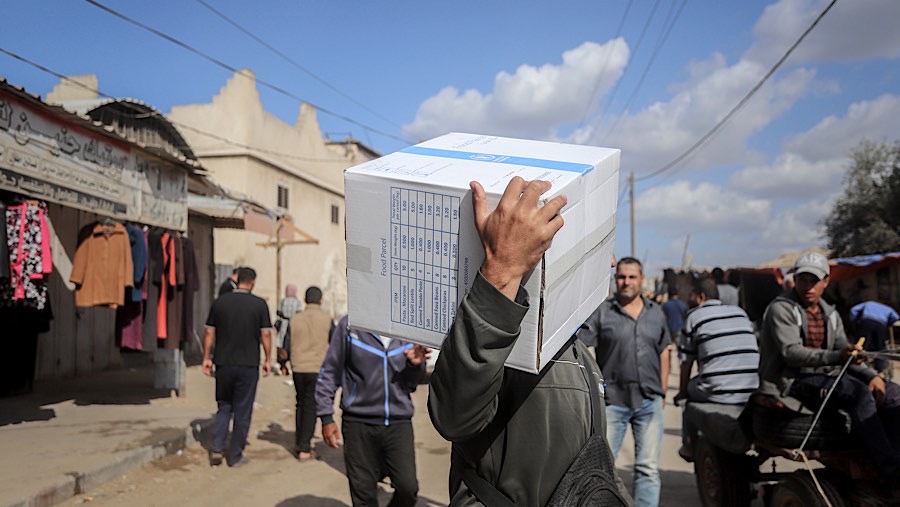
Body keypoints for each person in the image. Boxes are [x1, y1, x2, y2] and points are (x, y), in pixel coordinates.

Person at [428, 177, 631, 506]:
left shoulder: (578, 350)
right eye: (600, 249)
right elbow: (454, 416)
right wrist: (502, 269)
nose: (611, 263)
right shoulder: (508, 338)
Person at [758, 251, 900, 479]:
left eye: (814, 281)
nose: (808, 286)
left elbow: (846, 352)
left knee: (892, 393)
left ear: (826, 281)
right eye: (802, 279)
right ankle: (889, 469)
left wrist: (871, 375)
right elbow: (791, 353)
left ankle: (893, 455)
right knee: (859, 393)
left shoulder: (831, 314)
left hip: (828, 375)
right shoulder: (781, 308)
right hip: (792, 379)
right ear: (795, 279)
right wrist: (838, 357)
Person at [577, 256, 670, 507]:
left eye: (632, 277)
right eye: (621, 277)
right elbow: (580, 346)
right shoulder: (603, 312)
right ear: (615, 279)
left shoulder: (656, 313)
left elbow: (664, 349)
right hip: (613, 402)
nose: (626, 282)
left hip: (649, 402)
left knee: (648, 469)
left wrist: (662, 390)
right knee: (602, 469)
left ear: (641, 279)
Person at [316, 315, 429, 507]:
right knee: (363, 492)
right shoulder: (350, 326)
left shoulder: (407, 328)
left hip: (398, 423)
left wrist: (414, 365)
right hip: (358, 423)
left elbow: (411, 384)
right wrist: (326, 416)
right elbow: (330, 371)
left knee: (407, 488)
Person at [674, 275, 758, 461]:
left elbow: (686, 362)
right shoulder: (739, 312)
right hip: (752, 387)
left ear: (700, 296)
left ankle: (688, 445)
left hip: (719, 391)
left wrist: (681, 393)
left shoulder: (694, 316)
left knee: (688, 394)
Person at [202, 266, 273, 467]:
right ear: (252, 282)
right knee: (243, 410)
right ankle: (235, 456)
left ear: (237, 280)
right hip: (248, 365)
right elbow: (266, 334)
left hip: (223, 363)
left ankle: (217, 448)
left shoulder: (220, 302)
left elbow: (209, 332)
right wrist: (268, 359)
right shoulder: (259, 304)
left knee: (224, 406)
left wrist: (206, 357)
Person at [288, 286, 333, 461]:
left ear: (305, 300)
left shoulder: (295, 319)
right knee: (311, 407)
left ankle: (299, 442)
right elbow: (335, 345)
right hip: (317, 368)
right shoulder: (327, 320)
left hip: (298, 367)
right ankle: (305, 449)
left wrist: (284, 362)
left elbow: (286, 343)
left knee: (300, 404)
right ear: (320, 300)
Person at [849, 299, 899, 374]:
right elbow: (896, 317)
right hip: (881, 325)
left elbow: (853, 310)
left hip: (866, 322)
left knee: (861, 345)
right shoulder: (888, 308)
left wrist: (856, 321)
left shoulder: (869, 303)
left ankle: (859, 366)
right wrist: (888, 323)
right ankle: (880, 370)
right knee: (880, 347)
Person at [275, 283, 303, 375]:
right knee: (292, 344)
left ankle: (282, 367)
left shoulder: (283, 301)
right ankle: (291, 366)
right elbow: (299, 313)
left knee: (282, 345)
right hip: (293, 324)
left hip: (283, 325)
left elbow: (278, 312)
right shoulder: (297, 302)